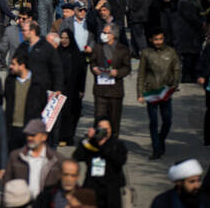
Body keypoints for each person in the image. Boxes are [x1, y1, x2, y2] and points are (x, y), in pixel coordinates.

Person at [137, 28, 181, 160]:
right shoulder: (146, 53)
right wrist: (140, 93)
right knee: (153, 121)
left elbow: (177, 70)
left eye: (160, 39)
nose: (158, 42)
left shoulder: (171, 52)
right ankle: (156, 149)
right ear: (151, 40)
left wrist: (174, 85)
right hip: (151, 91)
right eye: (156, 39)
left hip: (166, 91)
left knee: (167, 120)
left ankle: (160, 140)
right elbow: (141, 74)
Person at [72, 118, 128, 208]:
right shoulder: (90, 144)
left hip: (111, 190)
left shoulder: (117, 144)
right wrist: (88, 139)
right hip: (92, 187)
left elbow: (120, 161)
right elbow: (76, 156)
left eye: (107, 128)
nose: (104, 131)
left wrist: (103, 145)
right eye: (101, 128)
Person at [4, 119, 63, 200]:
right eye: (28, 135)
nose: (29, 138)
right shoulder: (15, 157)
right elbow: (7, 183)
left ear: (44, 137)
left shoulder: (56, 159)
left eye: (33, 135)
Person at [89, 24, 131, 137]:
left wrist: (118, 73)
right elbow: (92, 62)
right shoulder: (98, 47)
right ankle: (98, 142)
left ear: (113, 35)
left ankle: (113, 142)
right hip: (100, 90)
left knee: (114, 119)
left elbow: (127, 67)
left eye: (106, 32)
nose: (103, 34)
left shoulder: (123, 50)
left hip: (115, 90)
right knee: (99, 118)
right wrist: (94, 69)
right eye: (103, 32)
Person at [4, 51, 49, 150]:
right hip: (12, 127)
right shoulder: (10, 81)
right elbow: (8, 99)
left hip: (30, 128)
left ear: (22, 65)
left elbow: (43, 102)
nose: (10, 66)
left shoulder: (37, 82)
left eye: (13, 64)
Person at [57, 29, 86, 146]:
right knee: (61, 113)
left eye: (66, 38)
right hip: (60, 88)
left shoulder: (76, 54)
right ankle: (60, 136)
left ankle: (68, 136)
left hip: (73, 89)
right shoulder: (57, 52)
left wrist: (81, 89)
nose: (63, 41)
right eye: (62, 38)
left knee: (72, 113)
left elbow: (82, 73)